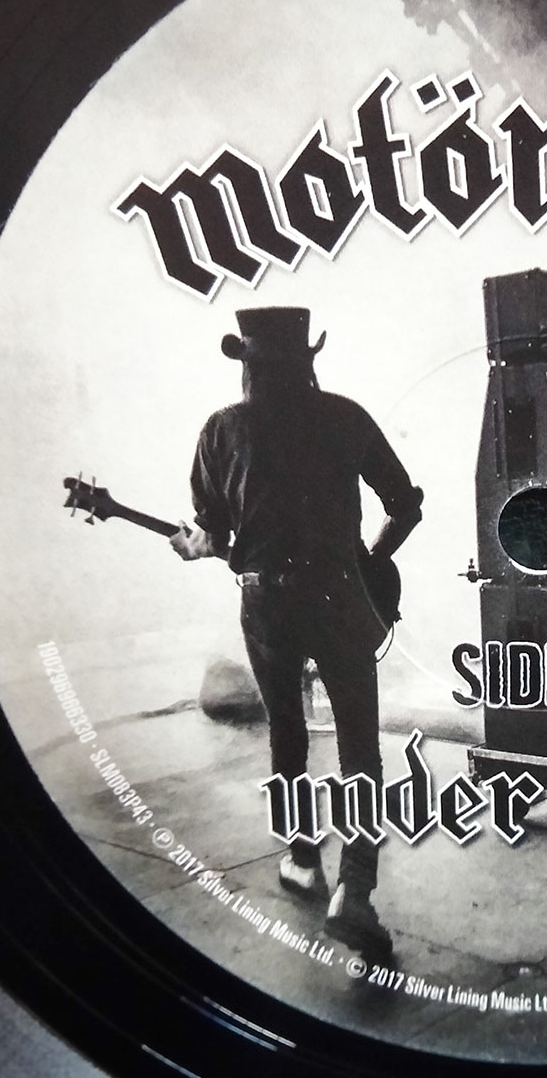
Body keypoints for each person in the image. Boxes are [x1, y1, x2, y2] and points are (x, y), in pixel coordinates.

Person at [169, 307, 423, 967]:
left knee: (287, 729)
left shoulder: (221, 430)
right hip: (339, 595)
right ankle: (355, 892)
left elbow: (212, 535)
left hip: (265, 603)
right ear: (307, 359)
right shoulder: (345, 417)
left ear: (247, 365)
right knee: (359, 746)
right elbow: (406, 506)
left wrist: (196, 546)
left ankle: (302, 858)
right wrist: (371, 561)